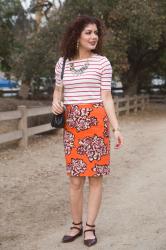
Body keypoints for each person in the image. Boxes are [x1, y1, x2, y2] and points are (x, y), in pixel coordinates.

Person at [52, 15, 124, 247]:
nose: (94, 37)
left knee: (94, 178)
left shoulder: (102, 63)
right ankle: (76, 225)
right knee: (74, 180)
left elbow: (106, 97)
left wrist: (116, 128)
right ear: (77, 36)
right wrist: (55, 103)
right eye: (88, 33)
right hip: (73, 125)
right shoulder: (62, 63)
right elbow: (57, 93)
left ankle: (90, 227)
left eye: (96, 33)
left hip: (95, 123)